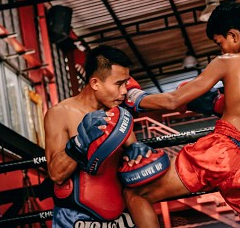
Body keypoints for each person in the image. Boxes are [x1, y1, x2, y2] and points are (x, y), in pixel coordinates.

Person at [121, 1, 240, 228]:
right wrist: (217, 104)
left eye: (219, 42)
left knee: (137, 195)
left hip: (221, 152)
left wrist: (135, 97)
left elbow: (174, 100)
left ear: (233, 35)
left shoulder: (226, 62)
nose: (221, 49)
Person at [44, 45, 157, 228]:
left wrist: (138, 154)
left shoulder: (119, 115)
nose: (123, 91)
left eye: (126, 83)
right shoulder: (60, 113)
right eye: (119, 84)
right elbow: (56, 174)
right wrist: (80, 143)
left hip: (121, 216)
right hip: (77, 219)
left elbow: (132, 156)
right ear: (95, 83)